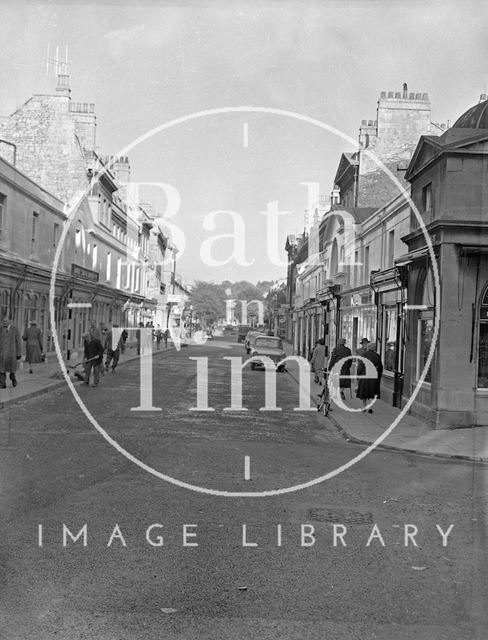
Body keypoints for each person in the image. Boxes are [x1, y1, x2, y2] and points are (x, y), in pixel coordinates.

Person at [356, 341, 383, 413]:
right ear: (374, 348)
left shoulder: (364, 355)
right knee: (372, 392)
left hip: (365, 375)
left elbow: (360, 366)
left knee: (364, 392)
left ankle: (364, 407)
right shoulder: (377, 356)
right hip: (374, 376)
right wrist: (379, 375)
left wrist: (358, 375)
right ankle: (370, 407)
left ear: (368, 347)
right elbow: (380, 367)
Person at [0, 316, 22, 388]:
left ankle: (13, 378)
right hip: (2, 354)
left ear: (10, 321)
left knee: (12, 370)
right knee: (1, 370)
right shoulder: (1, 329)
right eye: (3, 321)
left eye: (6, 321)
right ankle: (2, 383)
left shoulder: (15, 329)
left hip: (12, 354)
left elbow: (18, 342)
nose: (4, 322)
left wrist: (19, 354)